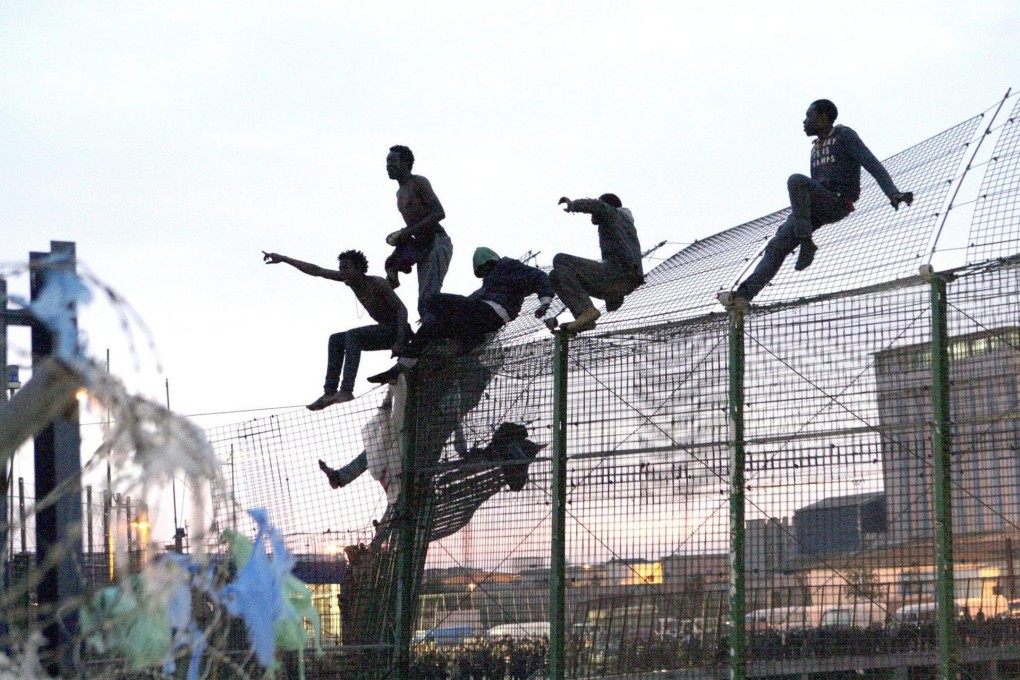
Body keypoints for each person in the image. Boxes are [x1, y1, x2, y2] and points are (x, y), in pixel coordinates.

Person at [720, 99, 914, 309]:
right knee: (777, 245)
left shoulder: (844, 136)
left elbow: (872, 164)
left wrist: (892, 193)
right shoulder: (815, 148)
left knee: (795, 180)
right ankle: (744, 296)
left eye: (809, 116)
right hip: (813, 206)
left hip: (837, 202)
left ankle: (806, 243)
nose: (805, 121)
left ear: (824, 117)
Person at [367, 247, 553, 384]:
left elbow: (538, 276)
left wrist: (545, 301)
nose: (483, 274)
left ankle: (470, 341)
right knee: (432, 326)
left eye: (483, 269)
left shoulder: (507, 265)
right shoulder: (488, 284)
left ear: (489, 262)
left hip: (491, 312)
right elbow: (469, 301)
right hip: (483, 317)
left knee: (431, 300)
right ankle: (400, 367)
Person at [262, 249, 410, 410]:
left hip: (398, 331)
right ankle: (329, 392)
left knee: (353, 336)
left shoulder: (377, 283)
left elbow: (401, 310)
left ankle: (346, 390)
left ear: (359, 268)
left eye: (346, 268)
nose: (342, 272)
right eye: (340, 268)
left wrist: (400, 341)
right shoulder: (351, 281)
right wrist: (284, 258)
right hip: (384, 331)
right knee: (336, 339)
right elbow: (317, 271)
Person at [551, 193, 643, 333]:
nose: (592, 216)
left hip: (619, 272)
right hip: (622, 280)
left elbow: (597, 206)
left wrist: (573, 205)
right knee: (556, 275)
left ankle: (586, 310)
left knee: (561, 260)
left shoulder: (614, 214)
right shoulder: (623, 227)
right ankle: (584, 319)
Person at [383, 144, 454, 323]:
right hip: (421, 244)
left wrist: (406, 232)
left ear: (406, 163)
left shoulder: (418, 182)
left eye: (392, 161)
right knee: (390, 264)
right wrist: (401, 237)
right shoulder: (399, 193)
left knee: (427, 299)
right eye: (387, 162)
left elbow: (439, 213)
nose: (388, 166)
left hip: (437, 241)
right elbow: (414, 225)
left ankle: (437, 332)